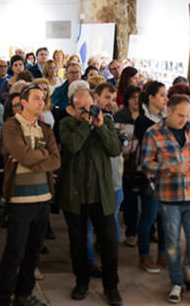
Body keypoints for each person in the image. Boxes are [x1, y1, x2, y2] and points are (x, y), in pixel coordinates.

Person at [139, 94, 190, 305]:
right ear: (168, 111)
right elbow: (146, 164)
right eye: (179, 115)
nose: (183, 119)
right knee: (172, 245)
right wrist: (172, 168)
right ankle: (177, 283)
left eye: (186, 116)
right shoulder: (153, 133)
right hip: (169, 197)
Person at [0, 84, 61, 306]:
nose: (42, 103)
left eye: (43, 99)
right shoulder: (12, 127)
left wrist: (33, 157)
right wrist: (42, 156)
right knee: (14, 253)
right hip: (20, 200)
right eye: (36, 99)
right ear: (23, 102)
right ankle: (1, 298)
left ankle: (24, 294)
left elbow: (56, 160)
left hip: (42, 199)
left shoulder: (46, 128)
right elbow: (24, 156)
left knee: (33, 253)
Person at [58, 88, 123, 305]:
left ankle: (111, 286)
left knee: (109, 242)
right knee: (78, 242)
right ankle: (82, 282)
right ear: (72, 108)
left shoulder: (106, 122)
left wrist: (100, 126)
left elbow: (114, 149)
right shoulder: (66, 124)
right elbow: (73, 146)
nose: (86, 112)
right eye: (81, 109)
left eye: (89, 107)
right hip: (75, 195)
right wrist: (86, 124)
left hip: (101, 194)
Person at [84, 83, 123, 277]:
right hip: (92, 185)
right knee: (87, 228)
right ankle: (88, 265)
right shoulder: (84, 120)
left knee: (110, 228)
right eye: (107, 97)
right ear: (95, 96)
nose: (111, 103)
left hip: (113, 184)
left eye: (113, 99)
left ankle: (110, 268)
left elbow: (115, 150)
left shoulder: (109, 120)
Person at [133, 81, 168, 274]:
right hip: (150, 174)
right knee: (149, 215)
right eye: (162, 95)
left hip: (167, 174)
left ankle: (163, 252)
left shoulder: (167, 116)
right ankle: (144, 255)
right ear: (151, 97)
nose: (165, 98)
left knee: (164, 217)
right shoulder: (143, 120)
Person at [114, 85, 142, 248]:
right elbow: (120, 139)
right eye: (133, 97)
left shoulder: (146, 116)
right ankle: (131, 232)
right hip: (125, 163)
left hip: (143, 163)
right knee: (130, 200)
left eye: (139, 97)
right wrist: (129, 144)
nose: (136, 101)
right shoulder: (120, 116)